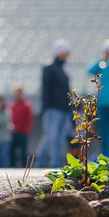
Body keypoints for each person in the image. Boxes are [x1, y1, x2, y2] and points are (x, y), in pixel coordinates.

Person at [35, 39, 75, 168]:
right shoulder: (50, 68)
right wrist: (45, 107)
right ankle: (39, 163)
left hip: (63, 110)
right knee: (50, 137)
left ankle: (55, 164)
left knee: (59, 140)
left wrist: (71, 109)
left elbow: (67, 92)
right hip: (53, 109)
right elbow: (45, 89)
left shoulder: (63, 70)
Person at [8, 84, 34, 168]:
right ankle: (12, 166)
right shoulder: (11, 105)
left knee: (23, 151)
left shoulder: (26, 105)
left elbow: (29, 120)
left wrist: (25, 131)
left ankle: (24, 166)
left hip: (22, 132)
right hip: (13, 132)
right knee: (12, 151)